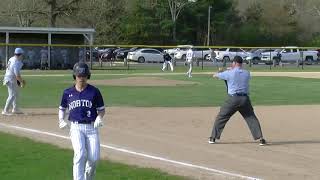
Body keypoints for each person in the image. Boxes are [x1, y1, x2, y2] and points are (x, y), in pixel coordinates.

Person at [58, 62, 105, 180]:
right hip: (76, 127)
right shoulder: (67, 92)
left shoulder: (94, 91)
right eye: (79, 76)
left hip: (91, 128)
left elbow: (101, 110)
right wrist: (61, 120)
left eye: (84, 76)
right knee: (80, 154)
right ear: (75, 76)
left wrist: (99, 117)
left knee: (94, 159)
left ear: (88, 76)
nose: (81, 78)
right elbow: (62, 108)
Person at [208, 56, 267, 146]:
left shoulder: (229, 73)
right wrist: (229, 70)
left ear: (234, 63)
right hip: (245, 99)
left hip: (233, 99)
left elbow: (215, 75)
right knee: (251, 118)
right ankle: (260, 138)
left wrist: (220, 72)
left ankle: (213, 138)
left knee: (221, 117)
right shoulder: (247, 73)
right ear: (241, 64)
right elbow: (237, 73)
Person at [2, 48, 25, 115]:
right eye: (22, 54)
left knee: (16, 93)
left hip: (11, 78)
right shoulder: (16, 62)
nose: (22, 56)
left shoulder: (12, 58)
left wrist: (19, 81)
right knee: (12, 95)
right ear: (20, 55)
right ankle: (5, 111)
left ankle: (15, 109)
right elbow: (17, 75)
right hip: (10, 79)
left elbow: (16, 74)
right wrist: (22, 81)